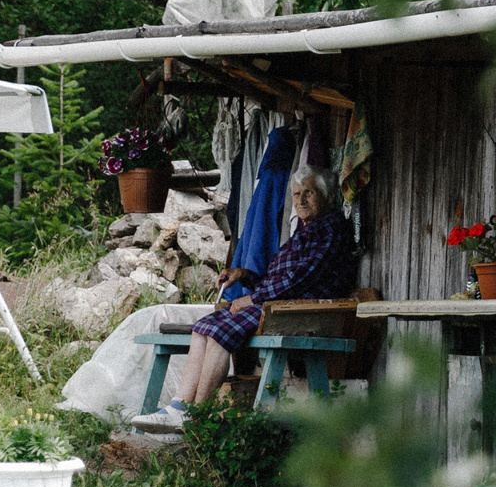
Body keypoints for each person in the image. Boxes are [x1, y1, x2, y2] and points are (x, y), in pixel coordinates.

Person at [135, 166, 358, 431]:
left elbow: (300, 280)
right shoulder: (306, 230)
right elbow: (279, 281)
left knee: (219, 332)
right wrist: (244, 275)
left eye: (309, 192)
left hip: (299, 310)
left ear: (328, 195)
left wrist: (253, 298)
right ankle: (179, 407)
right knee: (203, 327)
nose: (300, 200)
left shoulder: (330, 228)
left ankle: (195, 416)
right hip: (279, 305)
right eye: (297, 194)